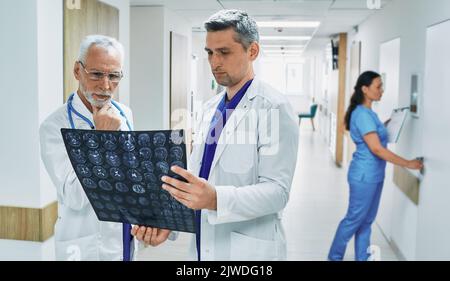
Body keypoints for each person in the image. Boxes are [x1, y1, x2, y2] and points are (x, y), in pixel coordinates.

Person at [132, 9, 299, 261]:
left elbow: (277, 192)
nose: (214, 62)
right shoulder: (210, 109)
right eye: (210, 52)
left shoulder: (274, 108)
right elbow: (198, 181)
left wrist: (216, 198)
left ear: (252, 51)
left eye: (224, 52)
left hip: (248, 253)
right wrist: (170, 222)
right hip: (203, 246)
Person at [40, 35, 143, 261]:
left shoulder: (125, 114)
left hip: (123, 236)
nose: (106, 85)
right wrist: (102, 139)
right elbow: (75, 196)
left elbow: (130, 174)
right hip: (83, 244)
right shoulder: (55, 126)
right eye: (96, 74)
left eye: (114, 76)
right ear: (78, 71)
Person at [328, 71, 424, 261]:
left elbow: (375, 133)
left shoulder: (369, 113)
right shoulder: (362, 114)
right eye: (378, 86)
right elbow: (377, 149)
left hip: (375, 175)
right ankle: (333, 258)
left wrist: (390, 122)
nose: (382, 90)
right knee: (353, 220)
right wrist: (408, 163)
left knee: (366, 222)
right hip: (364, 176)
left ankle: (362, 258)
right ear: (365, 89)